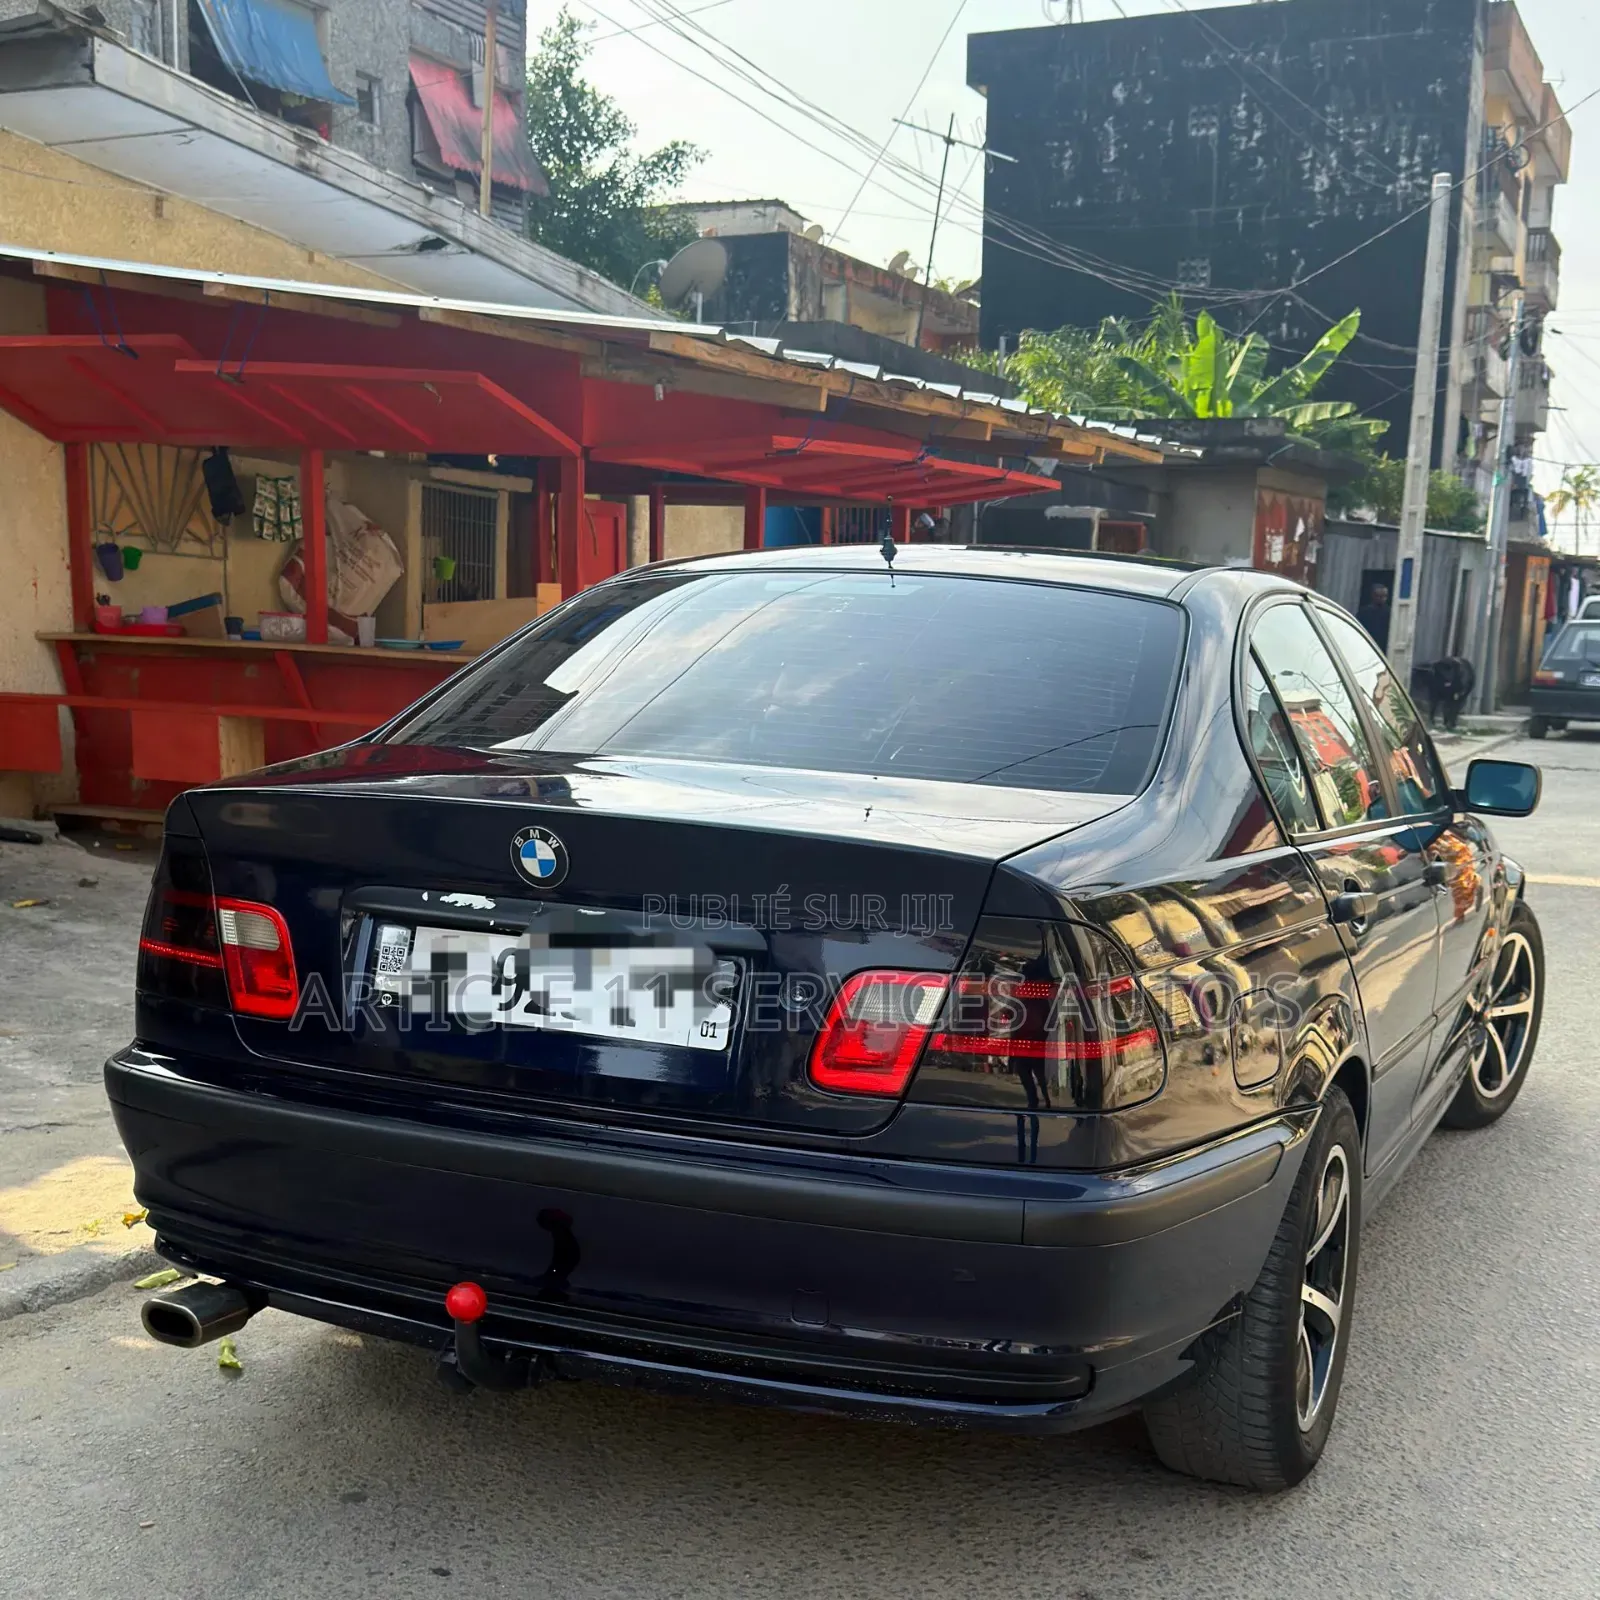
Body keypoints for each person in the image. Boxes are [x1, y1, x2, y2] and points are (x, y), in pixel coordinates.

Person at [1357, 582, 1392, 650]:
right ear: (1373, 596)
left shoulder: (1390, 612)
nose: (1382, 598)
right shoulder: (1364, 612)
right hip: (1367, 644)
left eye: (1384, 596)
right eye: (1379, 596)